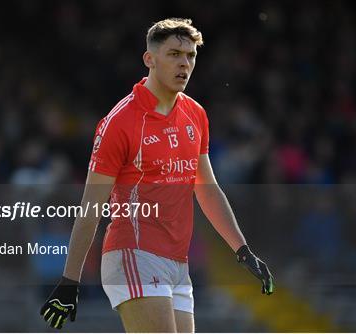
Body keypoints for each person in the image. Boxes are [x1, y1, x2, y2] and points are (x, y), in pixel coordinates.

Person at [40, 18, 274, 332]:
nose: (185, 63)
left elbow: (207, 189)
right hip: (133, 254)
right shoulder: (120, 122)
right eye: (174, 54)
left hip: (178, 263)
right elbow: (91, 207)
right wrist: (70, 280)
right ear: (150, 59)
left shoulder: (196, 114)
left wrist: (242, 250)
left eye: (190, 55)